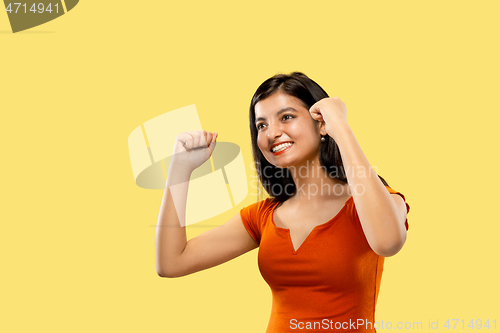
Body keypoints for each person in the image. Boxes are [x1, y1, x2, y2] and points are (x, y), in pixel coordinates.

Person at [155, 72, 410, 333]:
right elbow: (171, 262)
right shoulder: (263, 216)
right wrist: (179, 169)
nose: (272, 133)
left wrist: (341, 128)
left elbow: (388, 242)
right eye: (261, 125)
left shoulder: (373, 203)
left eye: (286, 117)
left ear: (321, 124)